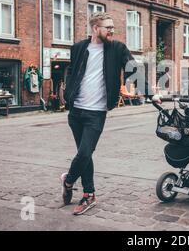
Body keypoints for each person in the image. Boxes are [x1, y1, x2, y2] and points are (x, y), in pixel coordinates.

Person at [61, 12, 147, 215]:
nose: (112, 30)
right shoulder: (79, 48)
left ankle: (68, 180)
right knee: (86, 155)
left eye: (112, 27)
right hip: (76, 111)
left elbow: (134, 70)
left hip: (96, 112)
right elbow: (73, 72)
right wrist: (68, 96)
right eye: (107, 27)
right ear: (95, 28)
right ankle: (88, 195)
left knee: (84, 153)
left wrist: (152, 93)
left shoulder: (117, 49)